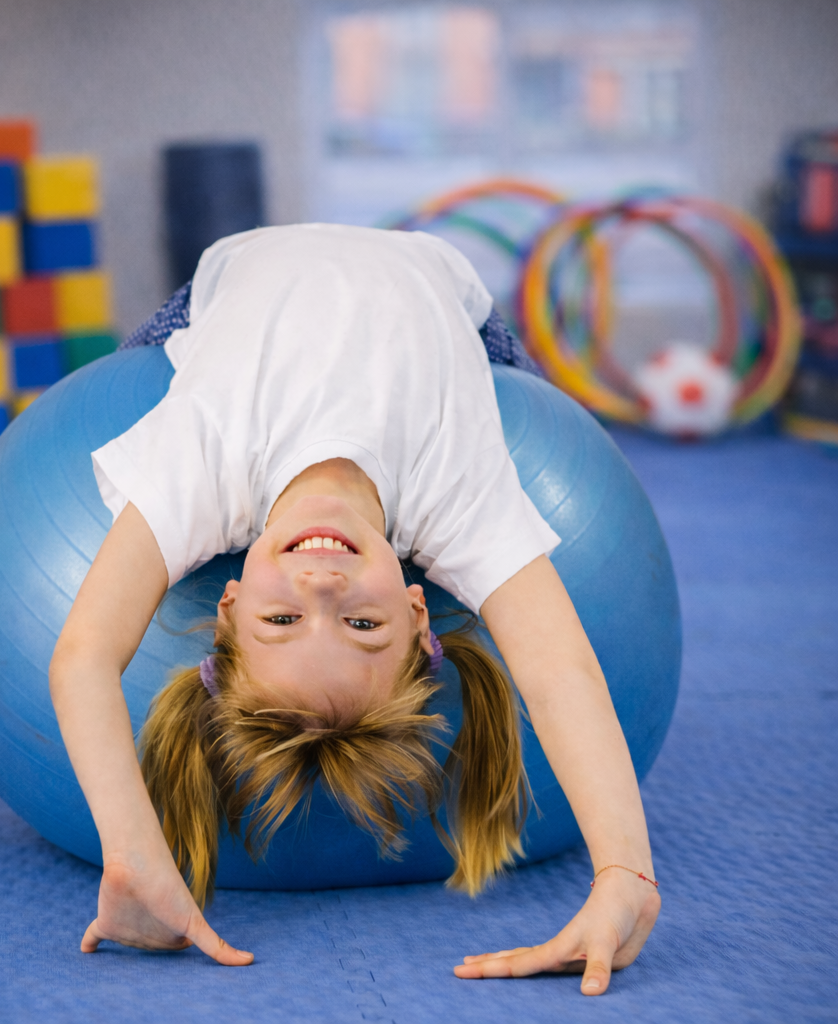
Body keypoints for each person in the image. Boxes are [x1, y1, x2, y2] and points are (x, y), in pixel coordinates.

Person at [49, 223, 661, 996]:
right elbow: (558, 670)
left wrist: (132, 850)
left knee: (146, 368)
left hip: (245, 267)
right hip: (436, 279)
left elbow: (84, 656)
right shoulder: (463, 498)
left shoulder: (195, 473)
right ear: (419, 608)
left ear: (229, 605)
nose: (322, 589)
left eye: (281, 623)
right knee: (528, 397)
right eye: (364, 627)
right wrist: (624, 870)